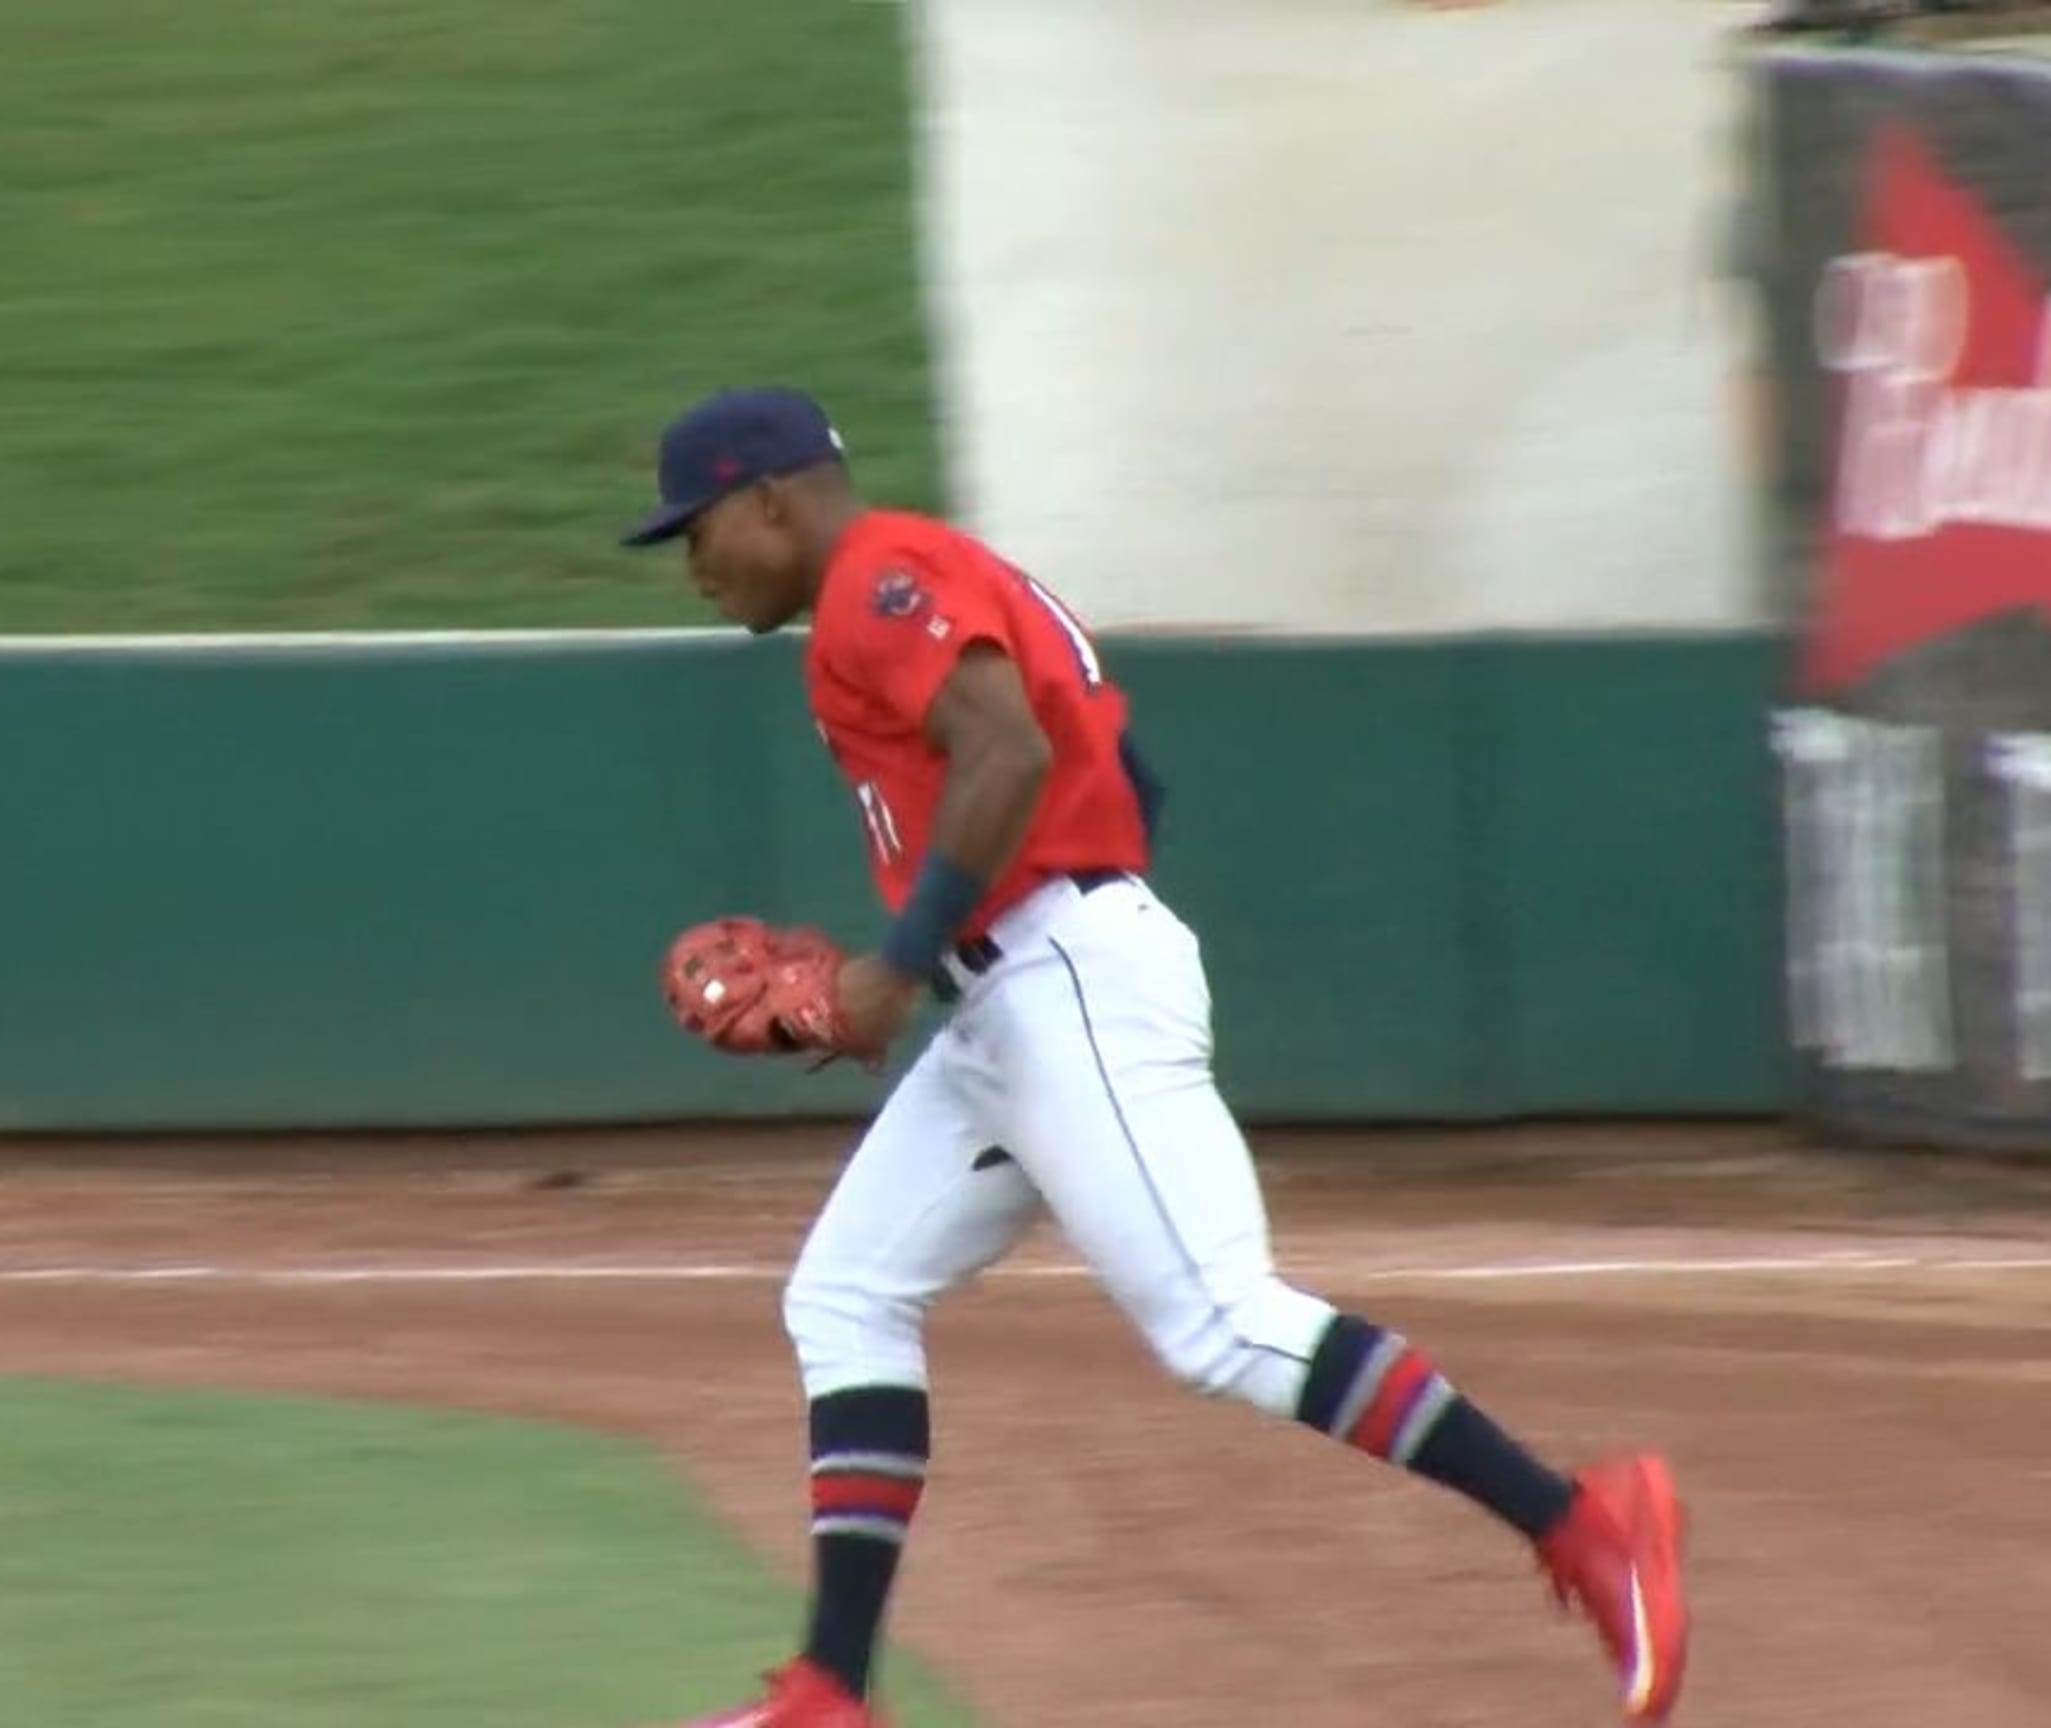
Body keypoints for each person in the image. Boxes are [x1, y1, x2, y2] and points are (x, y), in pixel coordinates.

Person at [624, 387, 1691, 1728]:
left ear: (771, 498)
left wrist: (896, 966)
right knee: (843, 1296)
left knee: (1219, 1321)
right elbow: (1118, 766)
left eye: (697, 527)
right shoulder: (922, 576)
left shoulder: (873, 582)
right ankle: (832, 1692)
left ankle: (1588, 1523)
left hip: (1059, 980)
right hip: (1019, 997)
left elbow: (1007, 751)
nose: (694, 563)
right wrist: (945, 959)